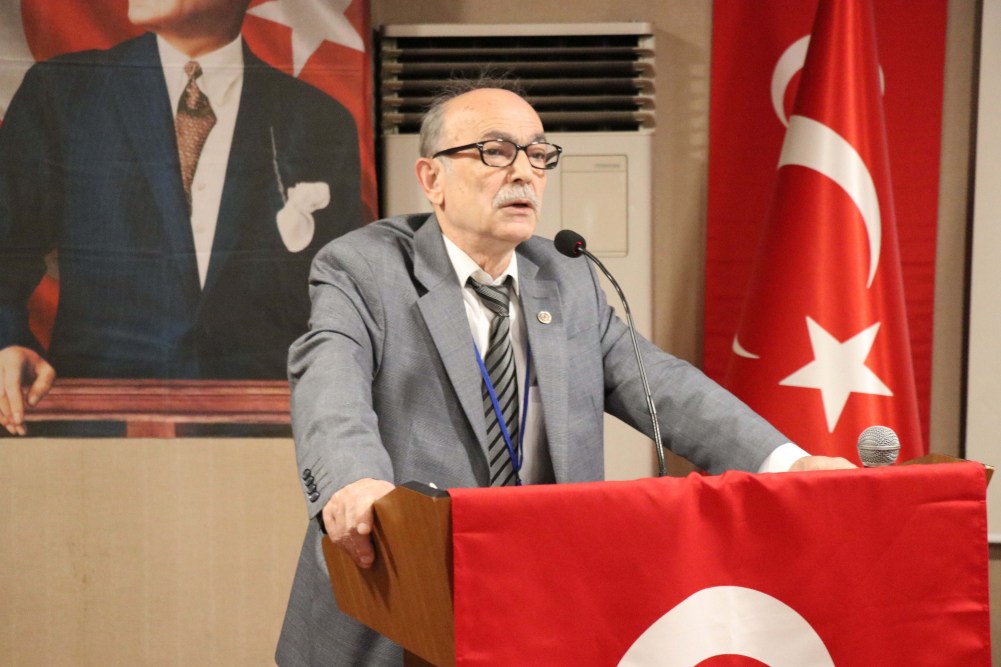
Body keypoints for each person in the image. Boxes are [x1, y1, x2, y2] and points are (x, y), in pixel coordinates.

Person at [274, 78, 854, 666]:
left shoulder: (564, 274)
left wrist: (787, 463)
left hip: (536, 600)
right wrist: (354, 482)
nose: (524, 172)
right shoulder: (365, 268)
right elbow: (329, 381)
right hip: (400, 602)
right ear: (432, 179)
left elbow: (663, 386)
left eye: (537, 154)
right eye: (495, 151)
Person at [0, 0, 362, 435]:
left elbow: (335, 296)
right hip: (96, 424)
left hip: (264, 432)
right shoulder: (63, 92)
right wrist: (7, 341)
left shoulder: (319, 119)